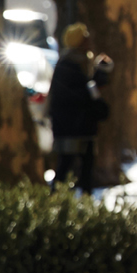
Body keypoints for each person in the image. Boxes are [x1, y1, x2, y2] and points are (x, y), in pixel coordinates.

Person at [48, 21, 112, 192]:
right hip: (70, 128)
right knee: (65, 166)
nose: (89, 41)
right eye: (85, 38)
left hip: (85, 128)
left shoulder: (84, 64)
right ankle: (57, 202)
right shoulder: (68, 65)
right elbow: (75, 96)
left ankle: (85, 203)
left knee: (86, 170)